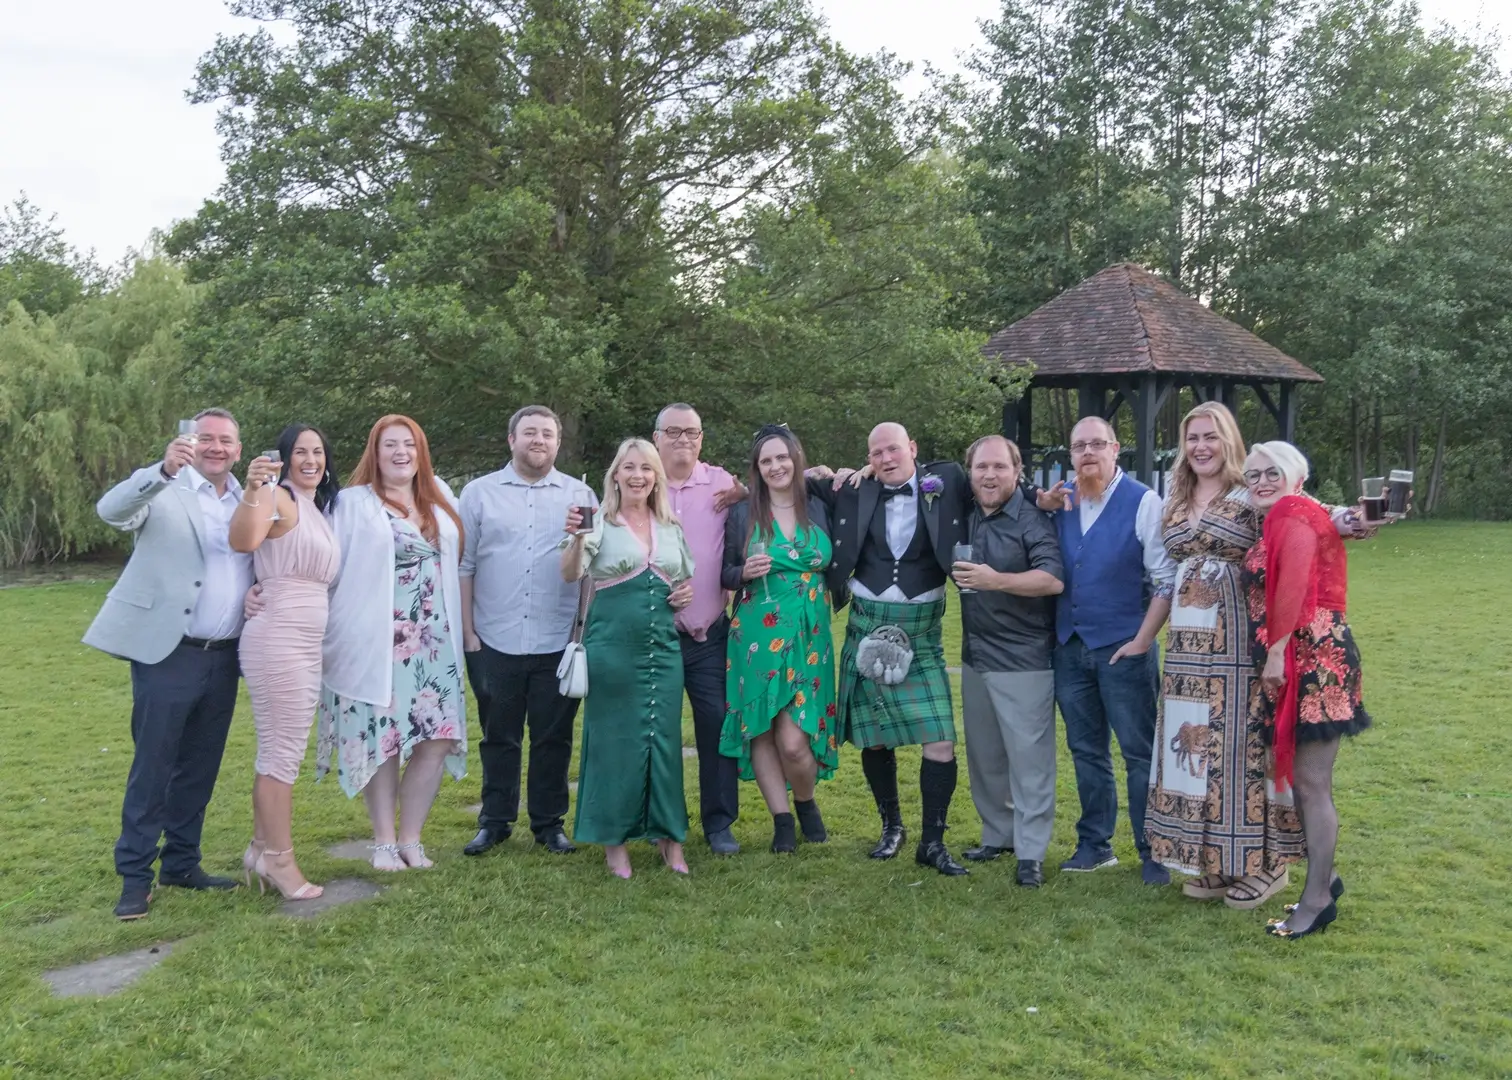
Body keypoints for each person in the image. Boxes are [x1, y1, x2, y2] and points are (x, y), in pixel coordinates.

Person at [84, 408, 251, 919]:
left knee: (200, 767)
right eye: (206, 438)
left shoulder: (249, 499)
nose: (216, 447)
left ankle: (182, 862)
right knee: (153, 766)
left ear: (238, 449)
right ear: (190, 443)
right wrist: (160, 471)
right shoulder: (165, 489)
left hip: (225, 657)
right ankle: (135, 876)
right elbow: (111, 511)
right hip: (169, 653)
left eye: (226, 440)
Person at [810, 422, 973, 876]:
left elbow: (995, 476)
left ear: (913, 449)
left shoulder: (948, 481)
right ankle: (891, 827)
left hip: (922, 632)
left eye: (893, 450)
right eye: (876, 453)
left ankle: (933, 842)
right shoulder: (853, 491)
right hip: (866, 623)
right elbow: (787, 482)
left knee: (940, 738)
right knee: (874, 734)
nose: (885, 459)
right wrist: (822, 471)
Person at [316, 415, 467, 871]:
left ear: (421, 452)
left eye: (410, 444)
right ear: (374, 453)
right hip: (377, 642)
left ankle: (411, 838)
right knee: (384, 741)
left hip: (436, 644)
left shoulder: (439, 499)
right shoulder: (352, 503)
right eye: (390, 445)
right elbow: (324, 565)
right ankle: (383, 842)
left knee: (436, 740)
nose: (401, 453)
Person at [1038, 416, 1177, 884]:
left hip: (1124, 647)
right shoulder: (1062, 500)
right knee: (1086, 751)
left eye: (1097, 444)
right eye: (1079, 446)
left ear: (1116, 449)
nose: (1088, 453)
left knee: (1139, 754)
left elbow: (1165, 579)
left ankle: (1152, 850)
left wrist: (1142, 641)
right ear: (1071, 454)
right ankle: (1094, 844)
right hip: (1069, 647)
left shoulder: (1144, 502)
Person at [1242, 441, 1371, 939]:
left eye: (1271, 472)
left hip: (1311, 659)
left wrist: (1275, 653)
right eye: (1252, 476)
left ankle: (1316, 899)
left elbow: (1293, 582)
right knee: (1302, 781)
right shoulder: (1296, 510)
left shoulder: (1292, 510)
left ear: (1294, 473)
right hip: (1307, 654)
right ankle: (1326, 877)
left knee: (1312, 784)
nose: (1261, 483)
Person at [458, 405, 598, 858]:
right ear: (511, 440)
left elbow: (590, 569)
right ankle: (494, 821)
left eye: (548, 434)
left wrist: (580, 632)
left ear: (558, 443)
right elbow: (465, 566)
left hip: (557, 638)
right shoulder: (478, 495)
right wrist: (468, 634)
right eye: (530, 433)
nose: (539, 440)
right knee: (498, 735)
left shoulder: (582, 496)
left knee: (553, 737)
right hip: (493, 637)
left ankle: (548, 824)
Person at [559, 438, 696, 878]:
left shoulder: (670, 525)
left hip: (664, 649)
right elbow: (570, 572)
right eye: (629, 467)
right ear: (615, 474)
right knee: (614, 743)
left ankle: (668, 837)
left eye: (646, 468)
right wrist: (577, 538)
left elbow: (684, 579)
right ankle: (613, 842)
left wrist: (684, 593)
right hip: (613, 647)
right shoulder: (598, 521)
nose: (638, 475)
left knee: (664, 743)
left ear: (656, 476)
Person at [229, 424, 341, 900]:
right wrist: (255, 487)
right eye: (300, 451)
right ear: (285, 458)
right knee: (282, 752)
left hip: (305, 638)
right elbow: (244, 540)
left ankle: (260, 848)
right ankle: (279, 859)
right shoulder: (279, 496)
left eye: (317, 451)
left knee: (281, 747)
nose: (310, 459)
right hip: (278, 636)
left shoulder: (318, 508)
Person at [952, 435, 1064, 888]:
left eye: (1000, 467)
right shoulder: (965, 510)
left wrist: (996, 580)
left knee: (1029, 761)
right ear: (971, 473)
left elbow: (1052, 579)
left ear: (1018, 472)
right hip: (975, 656)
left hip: (1022, 659)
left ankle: (1032, 852)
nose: (990, 475)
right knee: (985, 756)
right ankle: (998, 834)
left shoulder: (1032, 519)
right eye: (982, 468)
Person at [720, 424, 837, 853]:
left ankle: (805, 802)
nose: (775, 466)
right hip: (755, 632)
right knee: (762, 731)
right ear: (756, 468)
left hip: (810, 635)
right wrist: (741, 574)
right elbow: (724, 571)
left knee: (793, 741)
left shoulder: (821, 501)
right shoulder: (741, 513)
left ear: (796, 459)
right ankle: (782, 820)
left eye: (782, 458)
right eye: (766, 460)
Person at [652, 403, 744, 855]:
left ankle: (719, 822)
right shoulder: (639, 481)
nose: (683, 440)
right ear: (656, 438)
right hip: (656, 636)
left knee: (718, 727)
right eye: (673, 431)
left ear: (702, 439)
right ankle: (662, 822)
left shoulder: (722, 483)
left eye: (692, 432)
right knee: (657, 731)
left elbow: (773, 489)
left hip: (710, 635)